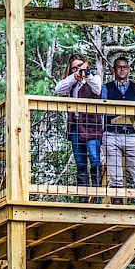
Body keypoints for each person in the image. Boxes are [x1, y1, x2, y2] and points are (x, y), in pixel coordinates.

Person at [54, 54, 103, 203]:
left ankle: (97, 197)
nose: (78, 69)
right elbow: (58, 89)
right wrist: (74, 76)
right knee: (80, 164)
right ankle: (83, 198)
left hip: (92, 127)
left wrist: (86, 74)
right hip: (75, 127)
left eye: (80, 65)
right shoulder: (71, 83)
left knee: (95, 161)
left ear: (86, 65)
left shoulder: (94, 78)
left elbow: (97, 88)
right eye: (74, 67)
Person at [101, 55, 135, 205]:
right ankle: (117, 205)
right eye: (119, 67)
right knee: (115, 176)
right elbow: (102, 111)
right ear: (113, 70)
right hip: (111, 134)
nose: (122, 70)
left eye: (124, 67)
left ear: (129, 69)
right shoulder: (106, 88)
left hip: (132, 135)